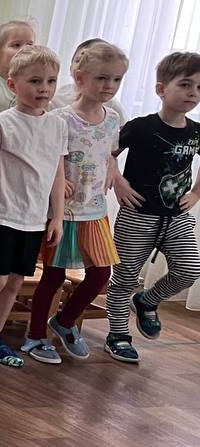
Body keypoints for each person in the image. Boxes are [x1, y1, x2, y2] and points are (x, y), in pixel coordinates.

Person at [22, 42, 128, 365]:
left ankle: (65, 321)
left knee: (100, 274)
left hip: (95, 210)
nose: (109, 86)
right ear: (80, 79)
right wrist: (57, 182)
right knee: (53, 276)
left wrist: (113, 170)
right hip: (63, 211)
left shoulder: (113, 120)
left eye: (116, 80)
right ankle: (35, 336)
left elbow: (108, 153)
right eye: (102, 78)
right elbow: (46, 157)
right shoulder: (59, 119)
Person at [0, 45, 67, 369]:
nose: (44, 88)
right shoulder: (0, 124)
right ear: (13, 84)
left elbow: (58, 174)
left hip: (33, 220)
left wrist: (57, 216)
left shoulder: (58, 125)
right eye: (35, 81)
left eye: (50, 81)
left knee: (15, 283)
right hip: (1, 215)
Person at [104, 51, 200, 363]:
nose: (193, 93)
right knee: (124, 278)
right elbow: (106, 152)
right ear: (161, 89)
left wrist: (196, 194)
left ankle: (147, 300)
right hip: (137, 217)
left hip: (176, 219)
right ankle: (118, 335)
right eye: (185, 85)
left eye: (199, 88)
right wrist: (118, 181)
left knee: (190, 269)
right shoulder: (141, 127)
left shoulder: (196, 132)